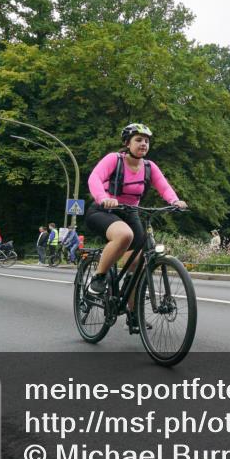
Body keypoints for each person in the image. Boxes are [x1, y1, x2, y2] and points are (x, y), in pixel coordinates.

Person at [84, 124, 188, 324]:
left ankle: (133, 314)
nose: (143, 144)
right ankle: (99, 277)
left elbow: (164, 187)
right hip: (104, 210)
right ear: (127, 143)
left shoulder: (149, 167)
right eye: (138, 140)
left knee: (138, 264)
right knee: (125, 235)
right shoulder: (114, 159)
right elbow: (94, 178)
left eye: (146, 141)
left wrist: (174, 201)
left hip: (131, 212)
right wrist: (103, 198)